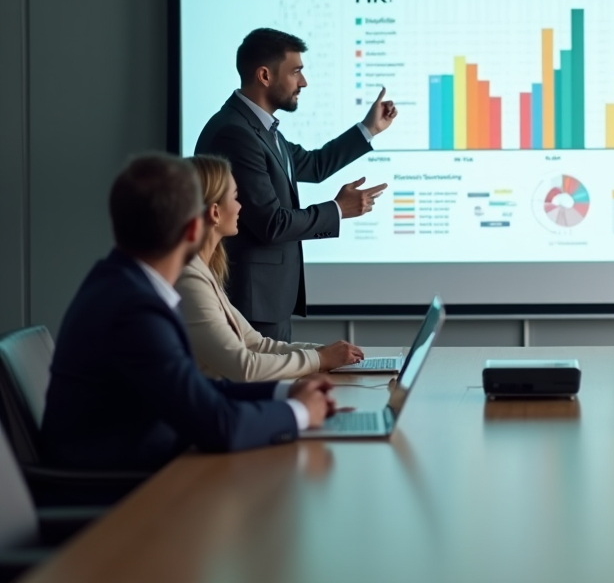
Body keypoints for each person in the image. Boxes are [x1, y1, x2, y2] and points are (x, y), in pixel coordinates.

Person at [40, 154, 337, 472]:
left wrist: (284, 391)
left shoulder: (121, 283)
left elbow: (195, 388)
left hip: (138, 471)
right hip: (113, 494)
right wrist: (300, 413)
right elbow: (218, 425)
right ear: (195, 228)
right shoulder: (135, 310)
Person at [194, 28, 398, 342]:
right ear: (264, 75)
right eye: (296, 71)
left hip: (269, 300)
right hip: (253, 302)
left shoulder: (261, 129)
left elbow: (314, 165)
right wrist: (337, 210)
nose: (303, 82)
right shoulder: (235, 134)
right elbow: (271, 223)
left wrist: (369, 129)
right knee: (263, 387)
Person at [176, 155, 365, 381]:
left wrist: (326, 354)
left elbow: (257, 344)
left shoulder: (202, 272)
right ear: (215, 212)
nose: (240, 207)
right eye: (236, 197)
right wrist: (320, 358)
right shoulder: (189, 280)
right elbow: (244, 366)